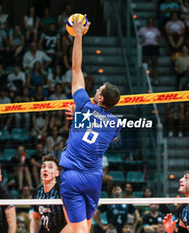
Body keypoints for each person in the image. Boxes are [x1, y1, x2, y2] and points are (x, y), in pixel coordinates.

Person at [59, 15, 121, 233]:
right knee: (82, 226)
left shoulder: (85, 106)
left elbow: (76, 69)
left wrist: (77, 36)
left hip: (73, 176)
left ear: (101, 98)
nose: (95, 90)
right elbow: (104, 133)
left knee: (80, 229)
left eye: (99, 90)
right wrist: (78, 118)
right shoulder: (115, 123)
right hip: (94, 178)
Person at [29, 155, 66, 233]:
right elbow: (36, 219)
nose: (45, 169)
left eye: (50, 167)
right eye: (43, 167)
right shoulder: (36, 192)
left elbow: (72, 224)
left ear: (57, 173)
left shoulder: (63, 191)